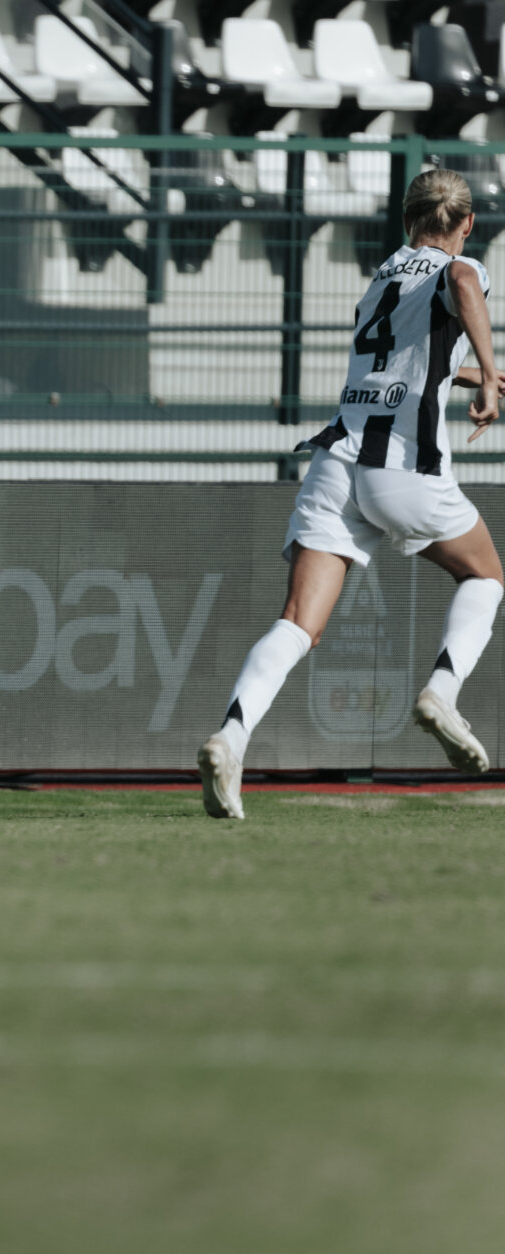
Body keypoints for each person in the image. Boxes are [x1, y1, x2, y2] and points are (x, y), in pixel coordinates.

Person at [199, 169, 505, 819]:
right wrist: (485, 375)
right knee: (486, 576)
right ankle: (441, 694)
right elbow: (460, 283)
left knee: (298, 622)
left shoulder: (384, 275)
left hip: (337, 462)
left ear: (405, 219)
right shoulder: (464, 267)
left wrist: (477, 372)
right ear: (468, 224)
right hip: (404, 467)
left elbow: (412, 358)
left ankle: (230, 737)